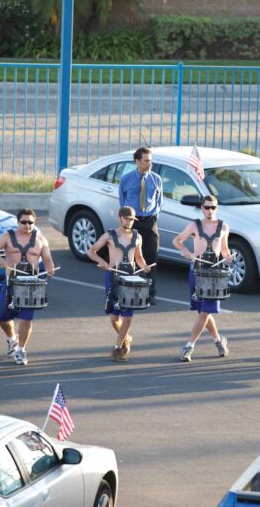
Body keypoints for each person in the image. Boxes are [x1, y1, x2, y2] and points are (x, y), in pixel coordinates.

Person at [0, 209, 55, 366]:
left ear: (34, 222)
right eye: (24, 222)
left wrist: (50, 268)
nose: (27, 225)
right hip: (11, 282)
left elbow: (48, 259)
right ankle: (12, 339)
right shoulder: (8, 236)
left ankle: (21, 350)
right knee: (2, 318)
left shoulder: (41, 240)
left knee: (26, 319)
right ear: (18, 222)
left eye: (30, 222)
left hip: (31, 284)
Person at [173, 195, 233, 362]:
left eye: (213, 207)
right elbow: (177, 240)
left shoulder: (223, 227)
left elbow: (224, 249)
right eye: (207, 207)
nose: (210, 210)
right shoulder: (194, 225)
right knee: (203, 311)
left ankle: (189, 346)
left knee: (206, 310)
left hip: (214, 274)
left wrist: (228, 257)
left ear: (217, 208)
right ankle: (219, 342)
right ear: (201, 208)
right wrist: (186, 252)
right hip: (197, 271)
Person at [88, 206, 150, 362]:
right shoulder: (109, 235)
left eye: (132, 220)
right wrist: (102, 262)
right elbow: (91, 251)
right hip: (113, 278)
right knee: (114, 318)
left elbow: (139, 258)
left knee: (128, 317)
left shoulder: (137, 237)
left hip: (130, 280)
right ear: (120, 218)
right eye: (127, 219)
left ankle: (118, 348)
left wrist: (144, 266)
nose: (129, 222)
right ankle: (127, 338)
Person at [119, 147, 162, 304]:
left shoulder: (156, 179)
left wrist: (153, 217)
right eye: (146, 160)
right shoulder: (126, 179)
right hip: (133, 223)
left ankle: (150, 294)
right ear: (137, 161)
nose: (150, 163)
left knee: (151, 259)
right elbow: (122, 201)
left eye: (151, 160)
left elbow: (159, 202)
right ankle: (132, 291)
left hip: (150, 222)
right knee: (132, 258)